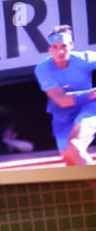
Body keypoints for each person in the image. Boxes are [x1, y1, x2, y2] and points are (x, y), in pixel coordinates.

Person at [34, 25, 96, 165]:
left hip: (90, 107)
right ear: (49, 49)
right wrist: (92, 93)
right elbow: (62, 100)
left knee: (75, 146)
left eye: (64, 45)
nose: (60, 51)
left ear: (72, 45)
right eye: (54, 47)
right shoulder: (42, 68)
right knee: (70, 159)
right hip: (62, 115)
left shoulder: (85, 58)